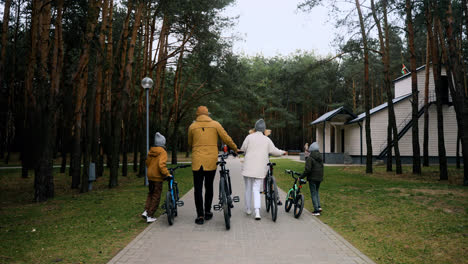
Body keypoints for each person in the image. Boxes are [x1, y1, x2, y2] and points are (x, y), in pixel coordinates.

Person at [188, 106, 238, 225]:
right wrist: (235, 148)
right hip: (211, 160)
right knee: (209, 186)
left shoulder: (192, 126)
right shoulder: (215, 124)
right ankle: (208, 212)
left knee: (198, 188)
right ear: (208, 114)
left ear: (197, 115)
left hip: (197, 161)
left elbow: (190, 142)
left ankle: (200, 215)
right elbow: (226, 138)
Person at [240, 119, 286, 220]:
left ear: (255, 128)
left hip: (248, 167)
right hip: (260, 169)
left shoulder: (249, 137)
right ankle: (257, 212)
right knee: (256, 189)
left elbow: (242, 149)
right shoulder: (266, 140)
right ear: (264, 129)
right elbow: (274, 151)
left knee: (248, 189)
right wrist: (283, 152)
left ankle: (248, 209)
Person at [141, 132, 171, 223]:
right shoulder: (162, 152)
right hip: (157, 176)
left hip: (150, 175)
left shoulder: (151, 151)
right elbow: (161, 165)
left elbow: (147, 163)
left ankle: (146, 211)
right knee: (156, 196)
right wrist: (167, 174)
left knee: (151, 193)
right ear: (163, 143)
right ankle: (150, 215)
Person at [301, 142, 323, 216]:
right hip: (319, 178)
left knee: (313, 193)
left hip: (312, 178)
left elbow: (307, 170)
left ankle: (316, 210)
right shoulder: (320, 157)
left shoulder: (310, 158)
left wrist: (301, 177)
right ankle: (319, 207)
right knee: (316, 192)